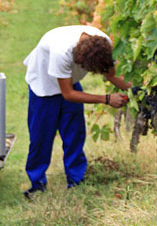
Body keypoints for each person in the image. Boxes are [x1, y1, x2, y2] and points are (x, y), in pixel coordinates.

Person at [22, 25, 131, 198]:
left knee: (74, 134)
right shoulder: (61, 52)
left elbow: (111, 75)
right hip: (43, 87)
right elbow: (68, 94)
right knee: (41, 138)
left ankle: (76, 182)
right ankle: (37, 185)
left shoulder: (104, 45)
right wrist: (107, 99)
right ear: (79, 63)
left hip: (69, 83)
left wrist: (137, 90)